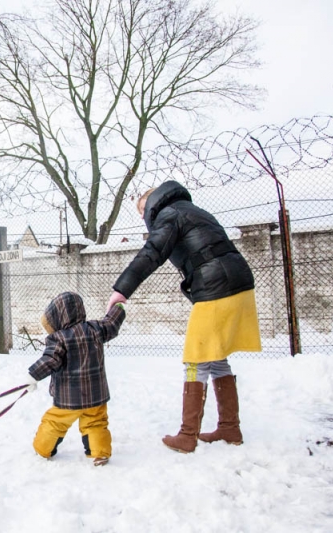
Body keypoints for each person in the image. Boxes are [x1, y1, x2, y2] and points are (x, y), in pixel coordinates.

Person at [107, 180, 261, 453]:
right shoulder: (195, 210)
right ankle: (230, 427)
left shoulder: (169, 214)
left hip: (216, 288)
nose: (143, 217)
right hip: (238, 281)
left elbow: (151, 253)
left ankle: (187, 435)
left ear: (153, 203)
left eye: (143, 210)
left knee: (196, 359)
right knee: (216, 355)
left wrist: (122, 289)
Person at [25, 291, 126, 466]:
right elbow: (112, 323)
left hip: (68, 398)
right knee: (96, 422)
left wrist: (33, 375)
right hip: (96, 395)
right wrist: (118, 307)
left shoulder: (59, 338)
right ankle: (100, 453)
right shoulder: (95, 329)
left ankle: (42, 448)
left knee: (54, 422)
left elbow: (50, 360)